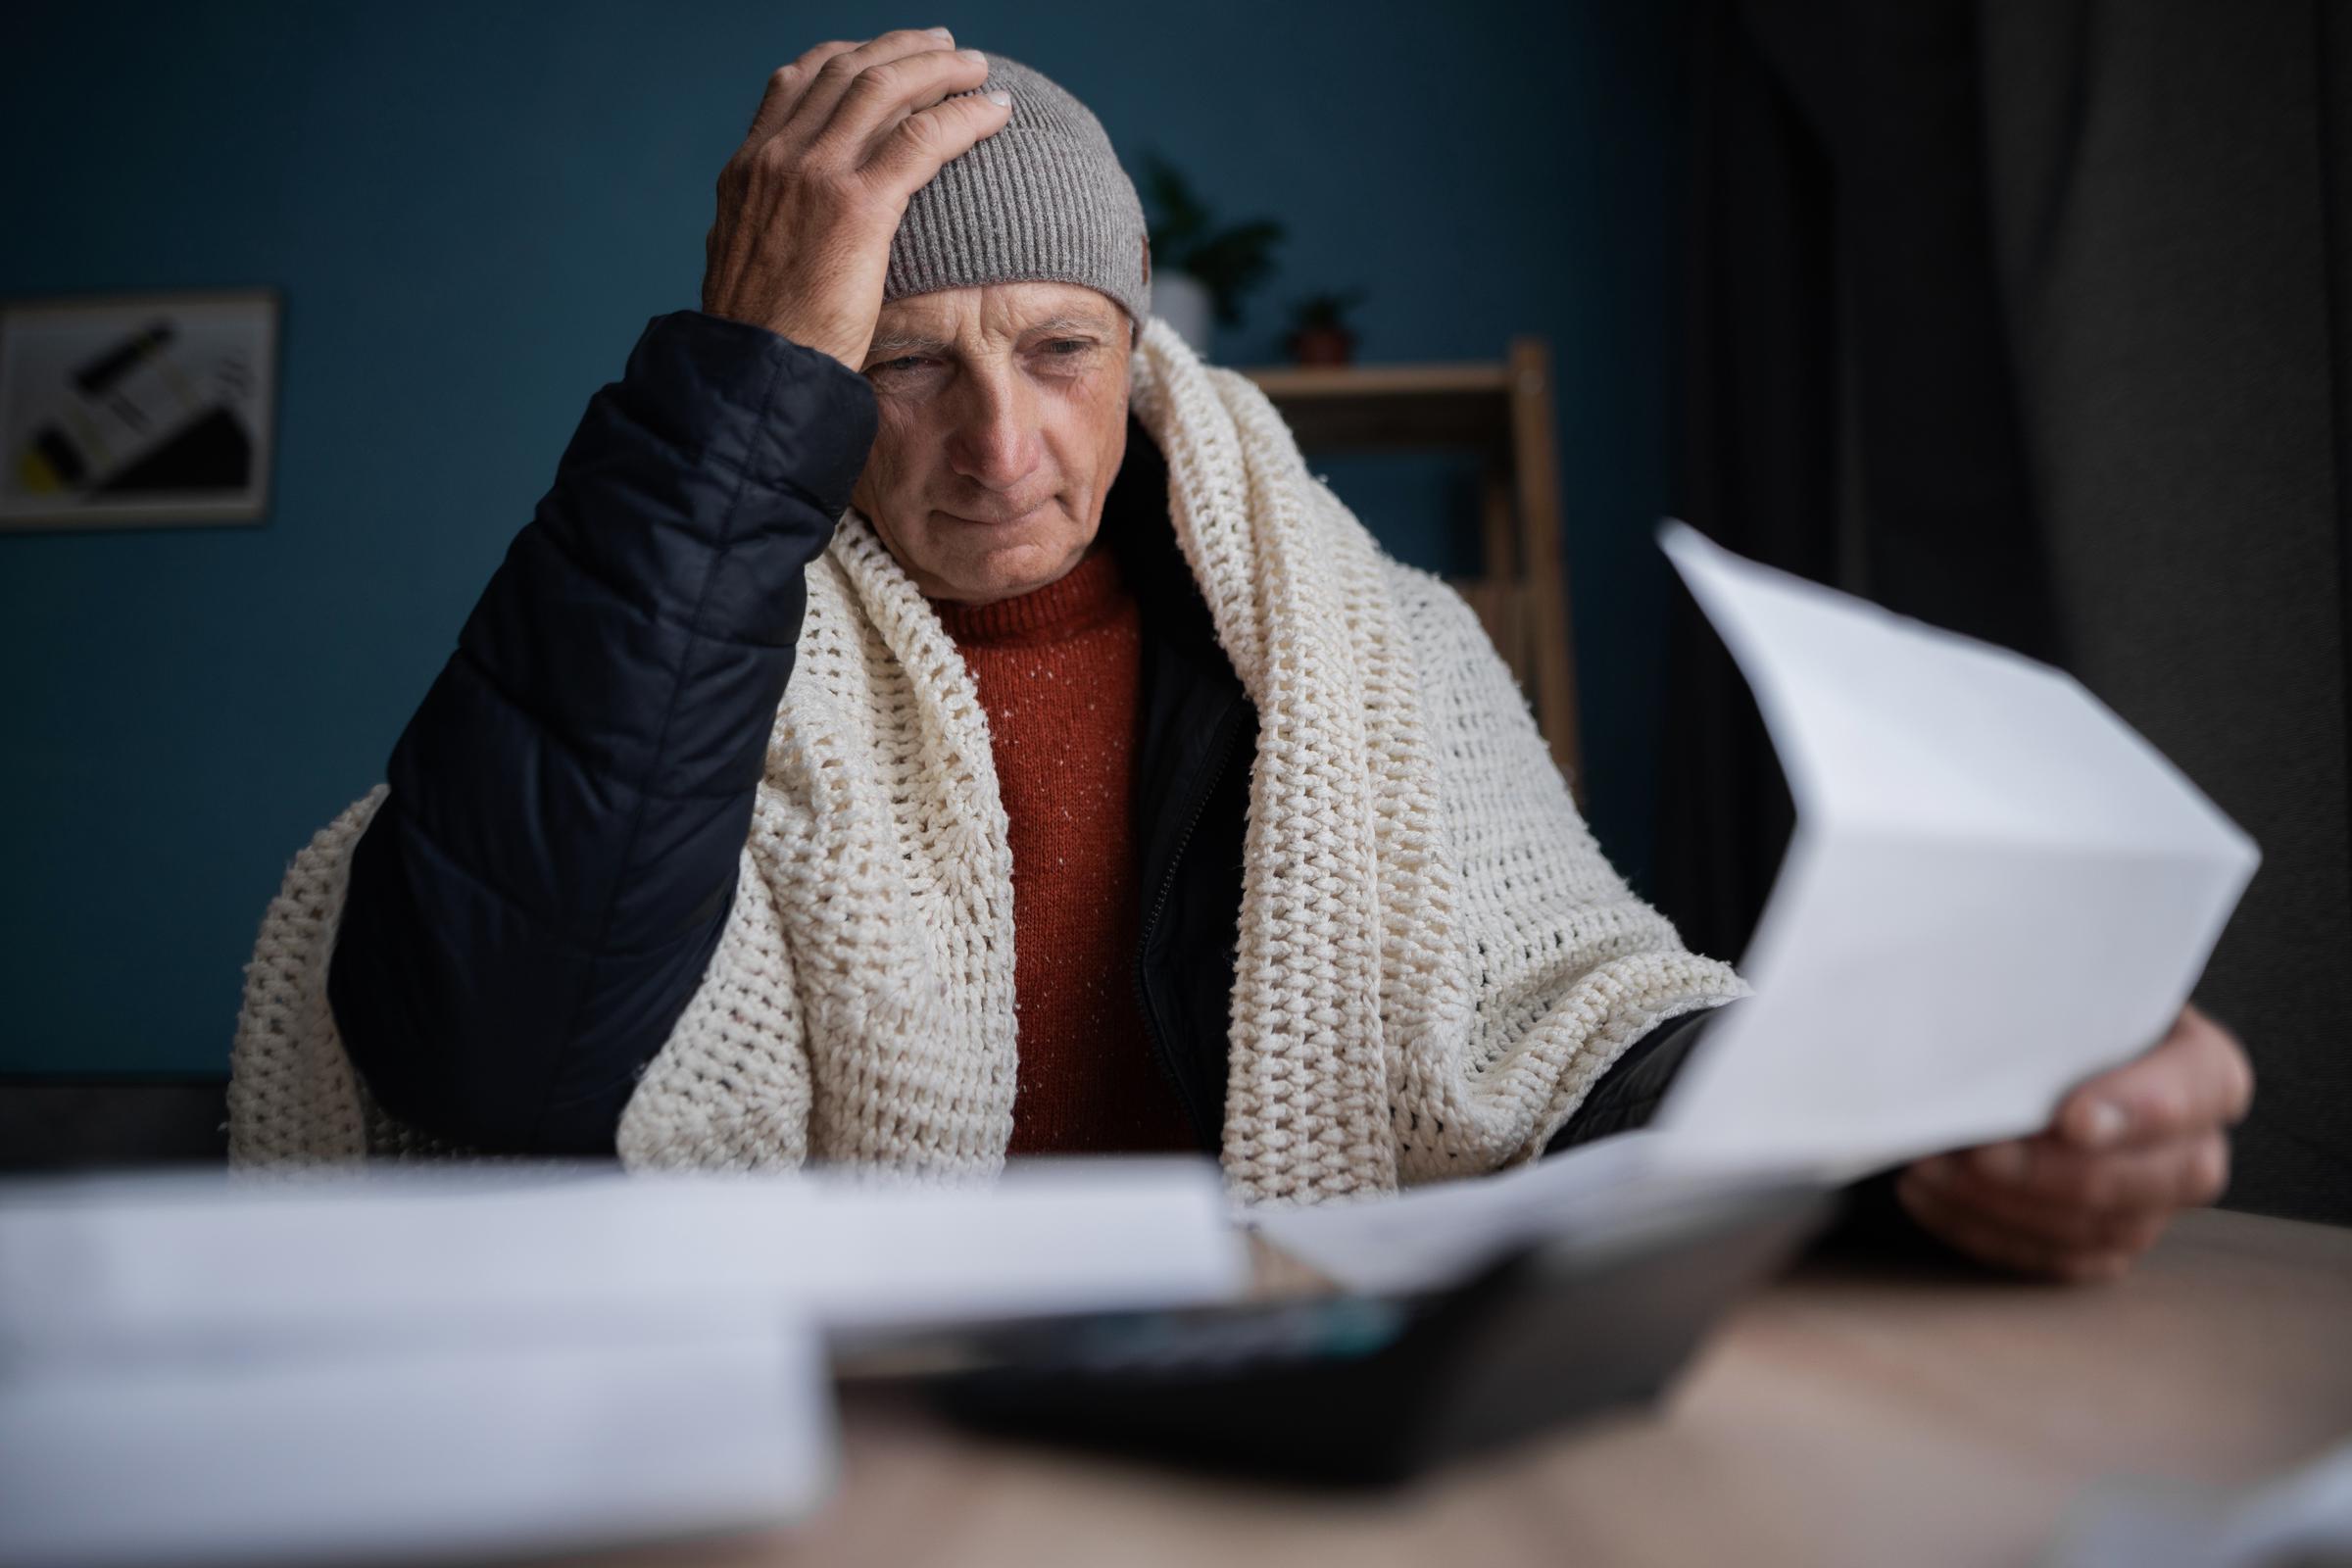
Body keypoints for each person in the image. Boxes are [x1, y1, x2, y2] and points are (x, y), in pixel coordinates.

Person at [228, 31, 2251, 1282]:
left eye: (1059, 351)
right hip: (832, 1447)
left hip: (1275, 1411)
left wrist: (1936, 1113)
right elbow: (487, 1031)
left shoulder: (1372, 648)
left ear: (1141, 352)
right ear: (811, 379)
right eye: (901, 368)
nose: (1001, 445)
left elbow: (1575, 1038)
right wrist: (739, 387)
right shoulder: (683, 623)